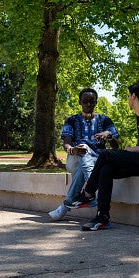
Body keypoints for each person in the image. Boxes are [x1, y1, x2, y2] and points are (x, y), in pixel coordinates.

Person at [66, 80, 139, 231]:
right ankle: (103, 217)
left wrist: (131, 150)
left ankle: (88, 193)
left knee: (106, 155)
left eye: (129, 96)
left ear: (134, 96)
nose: (128, 99)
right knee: (106, 168)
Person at [48, 88, 120, 221]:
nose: (88, 104)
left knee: (83, 167)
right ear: (80, 102)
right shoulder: (71, 120)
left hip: (97, 160)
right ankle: (94, 193)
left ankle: (65, 207)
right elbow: (66, 143)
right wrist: (72, 150)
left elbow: (116, 145)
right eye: (85, 101)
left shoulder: (105, 120)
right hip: (74, 158)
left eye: (92, 101)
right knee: (83, 148)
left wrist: (109, 136)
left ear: (96, 102)